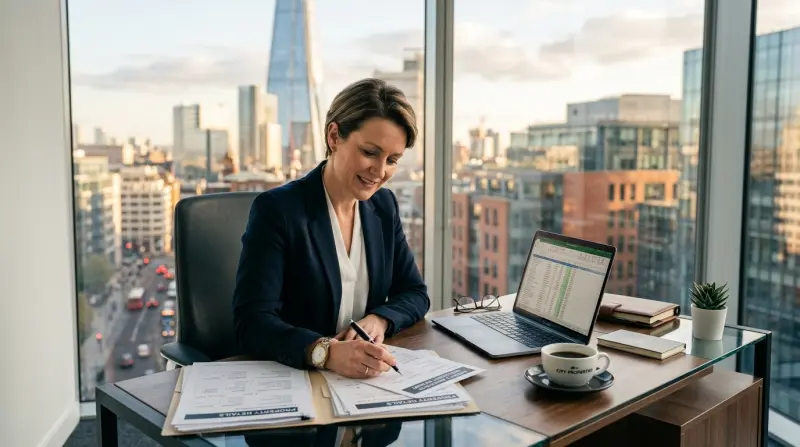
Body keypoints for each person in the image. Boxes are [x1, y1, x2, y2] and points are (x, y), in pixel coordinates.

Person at [232, 78, 430, 379]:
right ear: (334, 136)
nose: (379, 172)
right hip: (296, 381)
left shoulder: (383, 206)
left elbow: (415, 293)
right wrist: (324, 351)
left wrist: (379, 320)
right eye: (369, 152)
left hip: (366, 383)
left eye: (392, 160)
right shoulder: (278, 210)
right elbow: (253, 322)